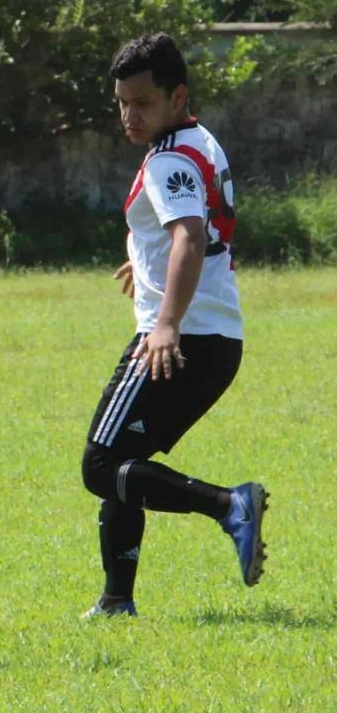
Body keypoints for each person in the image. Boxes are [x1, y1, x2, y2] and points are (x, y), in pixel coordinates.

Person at [80, 33, 267, 618]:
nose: (129, 116)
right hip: (219, 340)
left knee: (101, 466)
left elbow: (188, 234)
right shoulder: (198, 140)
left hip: (182, 340)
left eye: (143, 103)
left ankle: (228, 505)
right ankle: (116, 601)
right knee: (125, 460)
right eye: (121, 103)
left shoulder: (167, 159)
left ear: (177, 95)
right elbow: (188, 231)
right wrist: (145, 260)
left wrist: (165, 324)